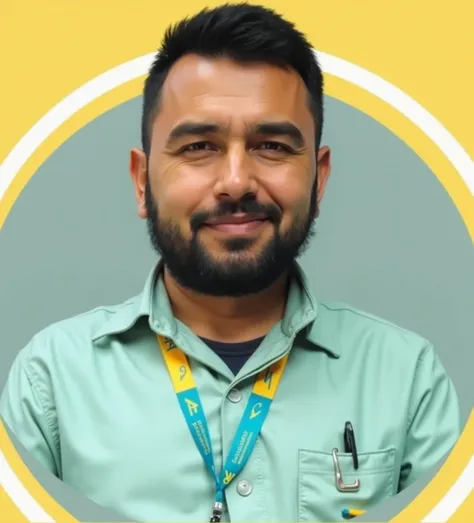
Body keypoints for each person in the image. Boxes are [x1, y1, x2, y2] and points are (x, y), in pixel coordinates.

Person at [0, 4, 461, 522]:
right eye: (199, 146)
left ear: (320, 177)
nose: (237, 182)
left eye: (271, 145)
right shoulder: (51, 386)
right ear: (141, 180)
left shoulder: (407, 382)